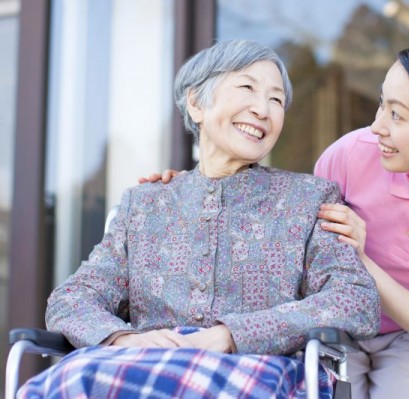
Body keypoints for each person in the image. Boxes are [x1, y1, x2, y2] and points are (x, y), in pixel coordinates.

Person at [146, 36, 409, 399]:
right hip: (337, 324)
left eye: (397, 115)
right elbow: (280, 227)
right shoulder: (350, 155)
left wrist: (362, 260)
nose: (377, 125)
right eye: (383, 103)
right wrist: (196, 186)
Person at [18, 39, 380, 399]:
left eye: (276, 100)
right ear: (196, 104)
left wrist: (231, 335)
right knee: (70, 378)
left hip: (257, 370)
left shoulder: (309, 200)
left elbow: (354, 300)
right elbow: (72, 298)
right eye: (247, 88)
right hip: (142, 366)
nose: (263, 109)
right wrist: (125, 339)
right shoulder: (145, 205)